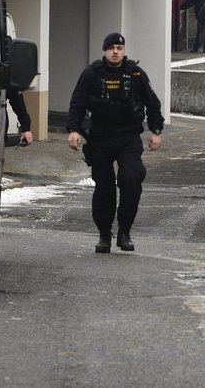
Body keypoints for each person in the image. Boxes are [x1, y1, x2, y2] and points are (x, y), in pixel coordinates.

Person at [67, 32, 164, 254]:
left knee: (130, 179)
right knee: (104, 187)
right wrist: (74, 129)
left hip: (128, 137)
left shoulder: (135, 73)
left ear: (124, 50)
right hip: (100, 137)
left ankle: (124, 232)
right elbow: (78, 103)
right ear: (104, 51)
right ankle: (104, 235)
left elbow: (153, 103)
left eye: (119, 48)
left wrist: (156, 131)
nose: (115, 52)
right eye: (111, 48)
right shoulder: (92, 73)